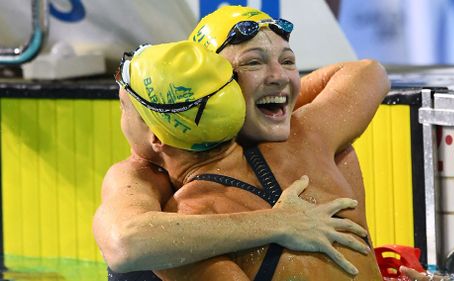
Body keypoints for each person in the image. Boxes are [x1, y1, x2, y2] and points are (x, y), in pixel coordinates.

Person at [93, 4, 390, 281]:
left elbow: (130, 247)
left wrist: (259, 109)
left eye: (287, 61)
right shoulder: (312, 135)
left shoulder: (185, 217)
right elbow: (126, 242)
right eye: (253, 63)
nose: (278, 76)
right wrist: (277, 223)